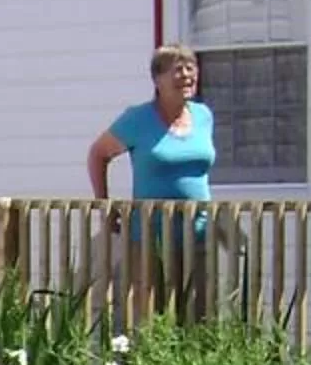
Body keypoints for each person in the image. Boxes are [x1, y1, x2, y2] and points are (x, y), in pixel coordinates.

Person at [86, 44, 215, 321]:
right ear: (157, 80)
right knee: (149, 319)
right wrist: (104, 205)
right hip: (148, 237)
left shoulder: (203, 116)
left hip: (198, 233)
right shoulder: (138, 119)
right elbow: (98, 154)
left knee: (198, 316)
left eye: (190, 67)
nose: (186, 75)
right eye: (176, 69)